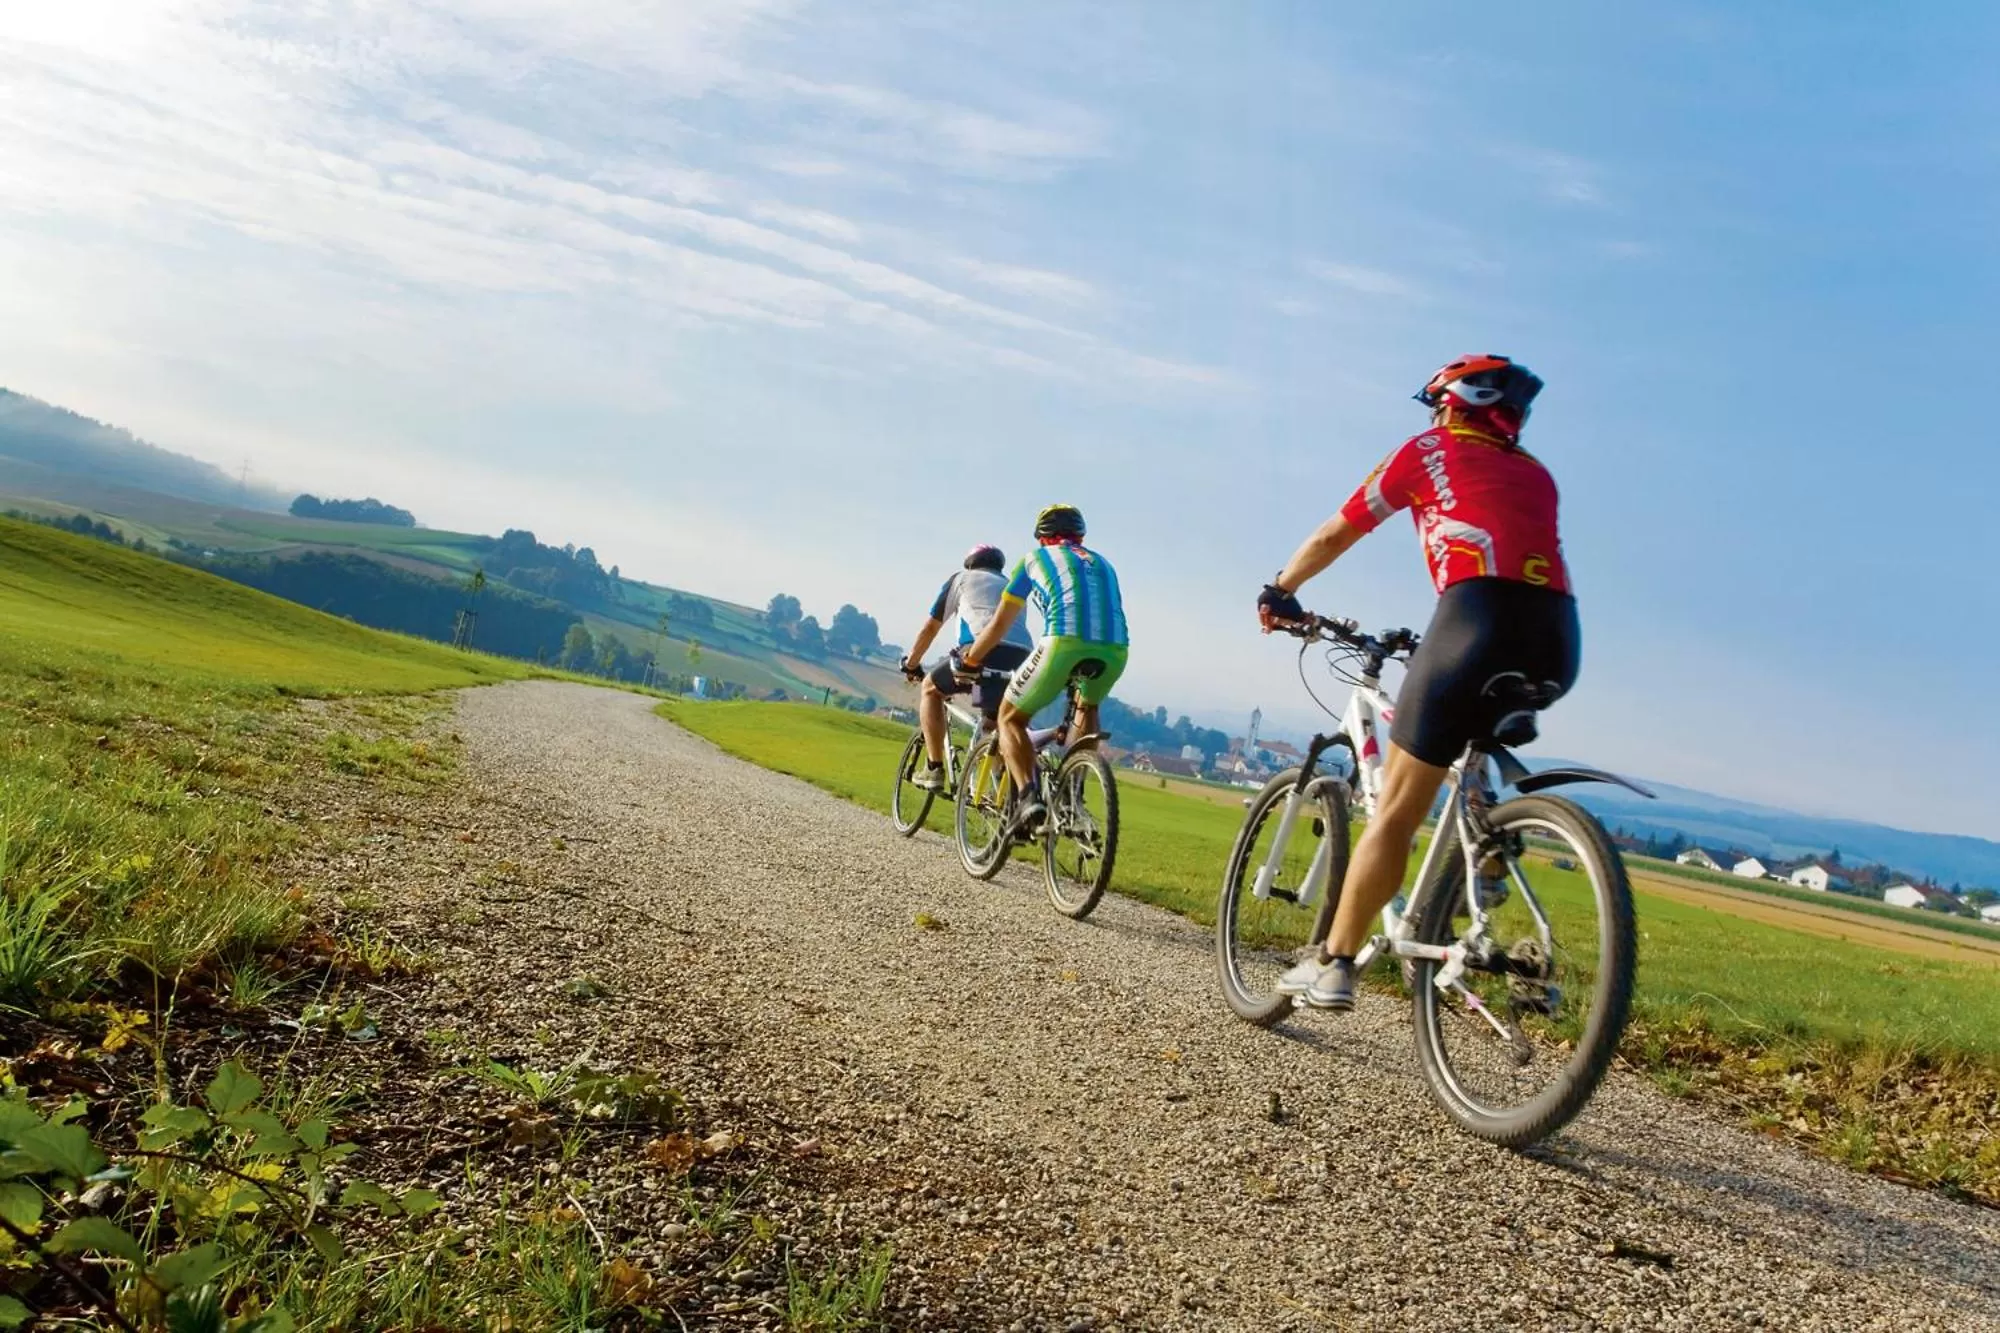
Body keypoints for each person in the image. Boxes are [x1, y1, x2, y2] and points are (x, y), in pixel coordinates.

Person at [1256, 353, 1579, 1010]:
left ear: (1451, 402)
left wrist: (1281, 588)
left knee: (1398, 808)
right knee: (1470, 740)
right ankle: (1485, 845)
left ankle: (1335, 962)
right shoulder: (1537, 473)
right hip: (1558, 637)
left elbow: (1335, 531)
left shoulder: (1427, 449)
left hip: (1474, 621)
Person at [957, 504, 1128, 833]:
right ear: (1080, 536)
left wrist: (970, 660)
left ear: (1042, 538)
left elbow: (997, 625)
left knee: (1009, 718)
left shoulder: (1032, 560)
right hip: (1116, 650)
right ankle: (1073, 797)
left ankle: (1027, 799)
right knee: (1087, 705)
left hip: (1063, 642)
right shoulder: (1103, 563)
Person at [898, 544, 1034, 790]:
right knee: (995, 720)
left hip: (981, 649)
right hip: (1022, 657)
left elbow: (930, 628)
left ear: (969, 563)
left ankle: (933, 769)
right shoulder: (1011, 584)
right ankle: (1001, 788)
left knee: (930, 688)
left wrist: (911, 664)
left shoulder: (961, 579)